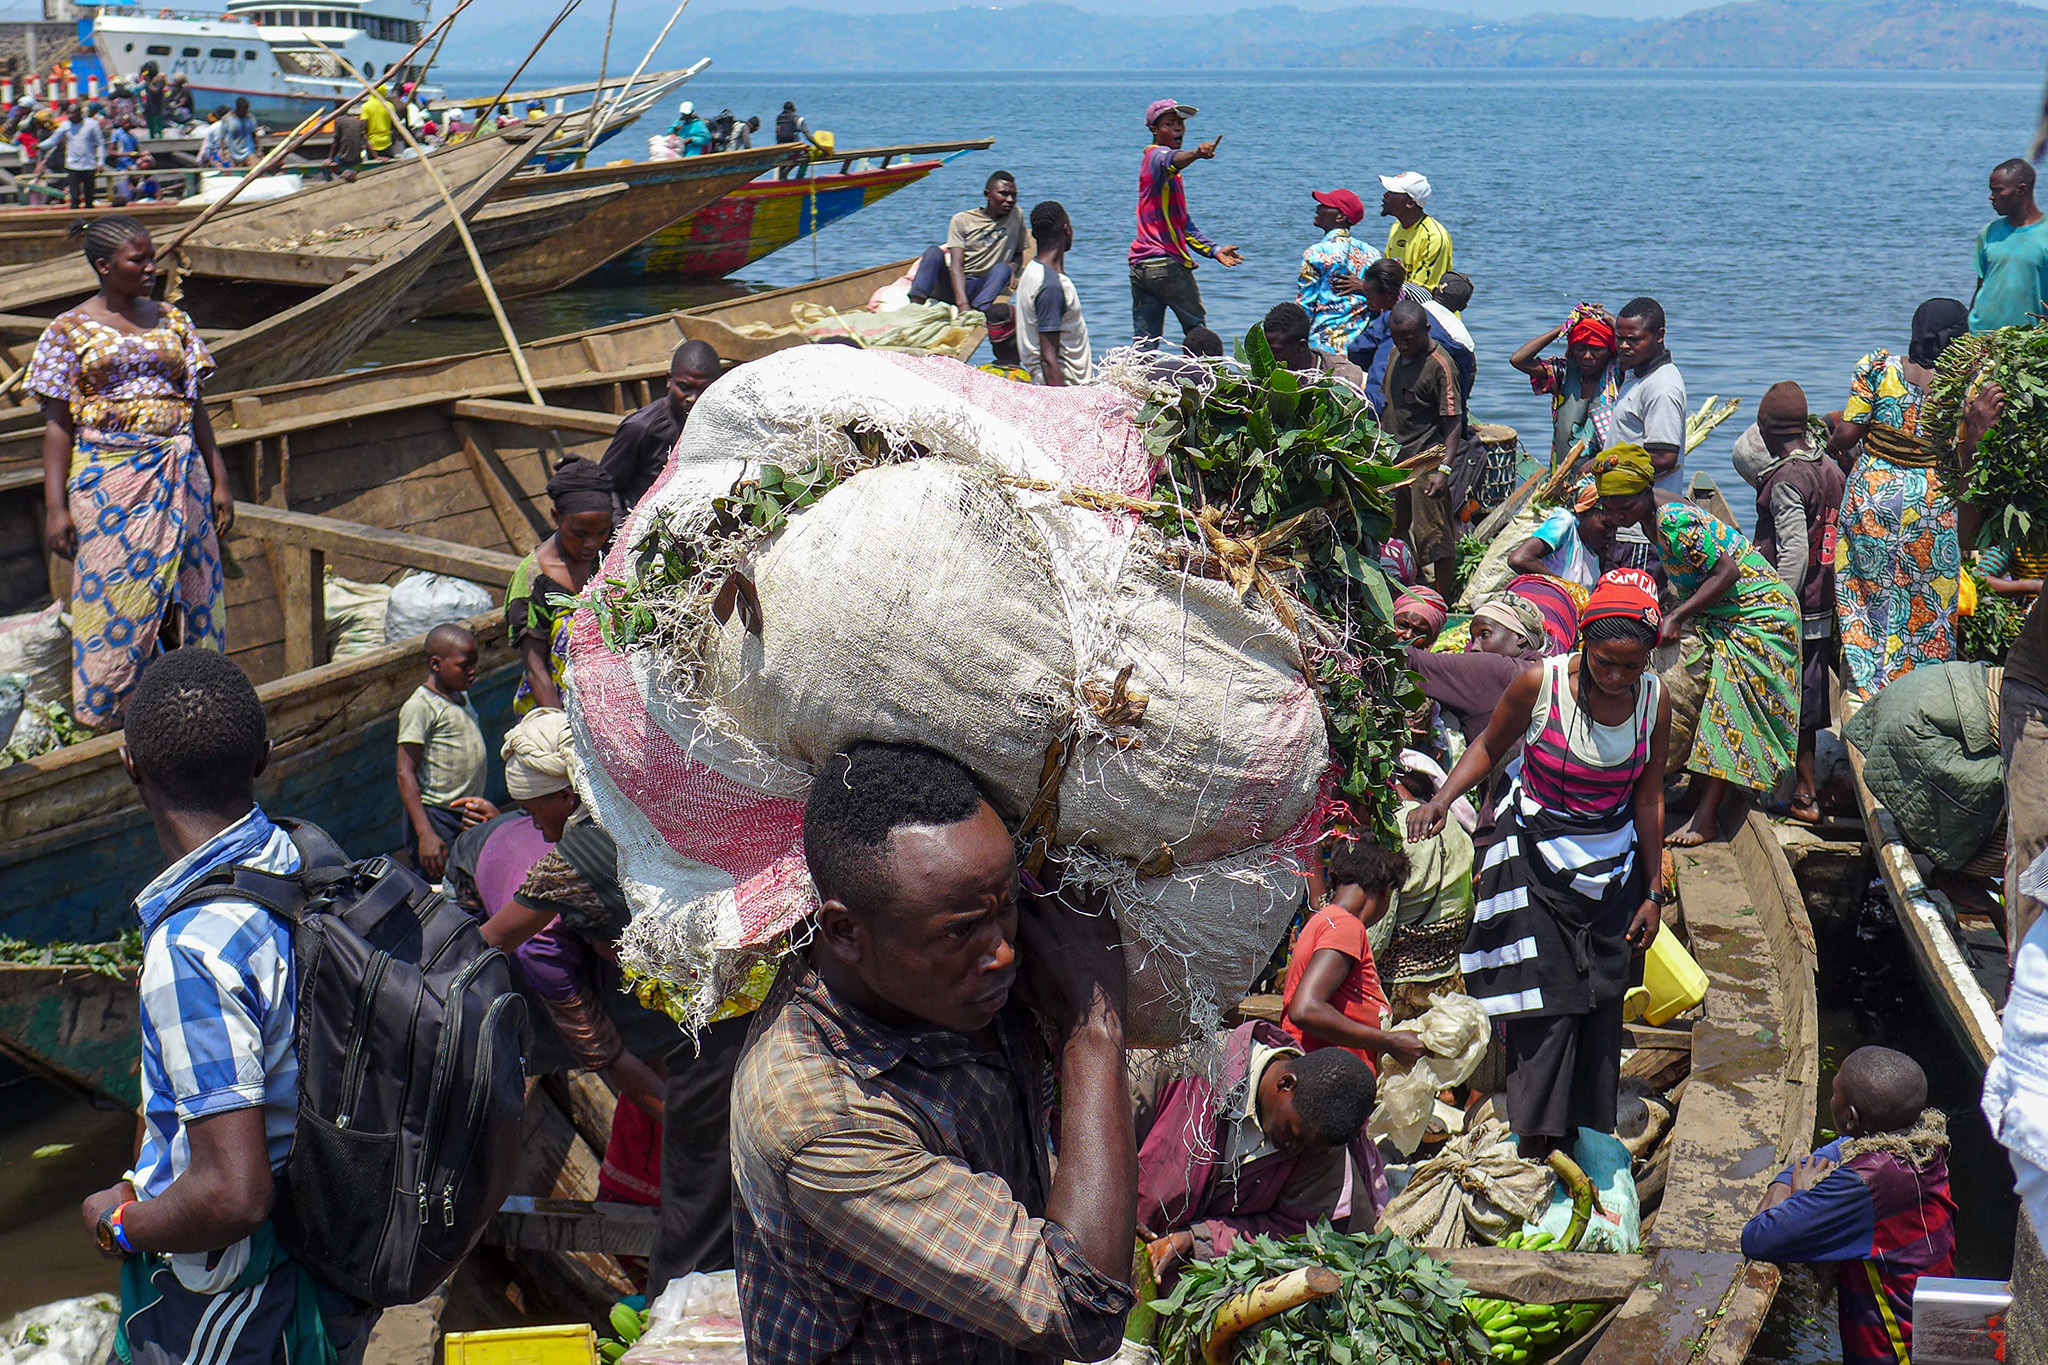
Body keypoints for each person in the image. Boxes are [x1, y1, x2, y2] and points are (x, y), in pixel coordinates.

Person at [731, 741, 1136, 1362]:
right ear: (844, 933)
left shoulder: (948, 992)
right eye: (960, 930)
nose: (1001, 950)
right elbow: (1082, 1311)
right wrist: (1094, 1032)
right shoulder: (817, 1116)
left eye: (1008, 908)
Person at [76, 649, 376, 1365]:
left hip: (235, 1300)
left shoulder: (192, 949)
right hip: (326, 1262)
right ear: (265, 756)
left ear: (131, 765)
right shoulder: (303, 859)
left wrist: (119, 1223)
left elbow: (232, 1193)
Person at [1409, 568, 1670, 1158]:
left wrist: (1653, 891)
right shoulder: (1539, 684)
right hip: (1533, 856)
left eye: (1630, 667)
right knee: (1545, 1006)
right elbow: (1488, 746)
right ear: (1583, 643)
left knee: (1601, 1004)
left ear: (1648, 659)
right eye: (1605, 661)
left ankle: (1584, 1137)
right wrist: (1442, 799)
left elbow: (1650, 797)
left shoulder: (1654, 699)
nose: (1616, 676)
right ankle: (1535, 1143)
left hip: (1613, 869)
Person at [31, 217, 226, 731]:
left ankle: (194, 704)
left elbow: (195, 403)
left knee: (192, 587)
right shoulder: (67, 330)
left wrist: (220, 476)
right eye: (138, 260)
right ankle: (112, 711)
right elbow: (57, 427)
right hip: (108, 481)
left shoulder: (174, 320)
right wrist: (55, 508)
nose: (151, 268)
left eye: (152, 256)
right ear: (103, 266)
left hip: (182, 473)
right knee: (113, 594)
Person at [1575, 447, 1799, 846]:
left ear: (1647, 491)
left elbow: (1726, 572)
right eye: (1609, 508)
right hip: (1724, 612)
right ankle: (1695, 794)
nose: (1615, 516)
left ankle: (1704, 820)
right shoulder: (1651, 519)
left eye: (1624, 506)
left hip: (1759, 615)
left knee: (1727, 705)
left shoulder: (1674, 520)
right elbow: (1683, 571)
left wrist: (1677, 618)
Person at [1742, 1047, 1955, 1365]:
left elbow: (1758, 1237)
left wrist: (1799, 1195)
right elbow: (1826, 1154)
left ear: (1850, 1117)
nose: (1831, 1098)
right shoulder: (1921, 1145)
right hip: (1936, 1339)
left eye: (1834, 1093)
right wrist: (1796, 1179)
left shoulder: (1865, 1182)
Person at [1135, 1021, 1378, 1280]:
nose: (1295, 1151)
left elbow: (1291, 1232)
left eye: (1306, 1147)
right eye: (1293, 1135)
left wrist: (1198, 1239)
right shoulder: (1184, 1066)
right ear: (1286, 1084)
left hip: (1179, 1283)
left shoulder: (1321, 1142)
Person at [1827, 299, 1970, 700]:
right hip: (1931, 500)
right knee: (1924, 593)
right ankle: (1921, 688)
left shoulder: (1877, 367)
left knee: (1867, 587)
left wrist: (1830, 442)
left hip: (1874, 496)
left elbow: (1849, 434)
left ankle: (1867, 678)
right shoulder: (1964, 382)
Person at [1732, 382, 1844, 825]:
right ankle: (1802, 792)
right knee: (1810, 701)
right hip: (1823, 604)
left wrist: (1774, 606)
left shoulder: (1785, 480)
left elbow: (1793, 550)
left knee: (1782, 696)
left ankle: (1797, 795)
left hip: (1793, 608)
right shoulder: (1830, 468)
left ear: (1765, 430)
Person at [1282, 840, 1425, 1072]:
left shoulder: (1326, 919)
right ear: (1385, 889)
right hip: (1324, 1078)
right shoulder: (1346, 927)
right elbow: (1304, 1009)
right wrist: (1390, 1042)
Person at [1128, 98, 1242, 348]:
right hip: (1166, 264)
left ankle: (1133, 385)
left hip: (1142, 265)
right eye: (1169, 123)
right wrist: (1197, 154)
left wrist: (1213, 250)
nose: (1178, 128)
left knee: (1145, 343)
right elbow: (1172, 159)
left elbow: (1183, 226)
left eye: (1180, 123)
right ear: (1154, 130)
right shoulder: (1157, 157)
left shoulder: (1166, 176)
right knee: (1198, 333)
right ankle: (1206, 380)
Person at [507, 458, 615, 714]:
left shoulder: (610, 558)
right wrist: (562, 732)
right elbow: (536, 670)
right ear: (556, 517)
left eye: (602, 532)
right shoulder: (534, 580)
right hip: (559, 707)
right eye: (579, 534)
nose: (592, 544)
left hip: (609, 700)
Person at [395, 623, 498, 881]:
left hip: (465, 813)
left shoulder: (460, 696)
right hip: (436, 815)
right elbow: (404, 772)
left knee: (465, 881)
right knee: (441, 884)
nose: (473, 671)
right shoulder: (419, 706)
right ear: (436, 664)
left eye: (475, 663)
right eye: (464, 665)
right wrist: (425, 834)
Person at [1381, 299, 1464, 595]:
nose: (1404, 344)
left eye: (1410, 338)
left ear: (1427, 330)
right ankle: (1409, 586)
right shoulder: (1394, 354)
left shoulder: (1441, 366)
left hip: (1426, 460)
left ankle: (1442, 600)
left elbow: (1454, 423)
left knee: (1434, 536)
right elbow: (1389, 405)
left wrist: (1444, 469)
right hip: (1393, 459)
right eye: (1398, 338)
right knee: (1395, 526)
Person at [598, 339, 720, 512]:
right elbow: (604, 486)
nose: (693, 398)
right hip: (644, 520)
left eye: (704, 390)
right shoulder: (640, 428)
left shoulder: (722, 423)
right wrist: (623, 528)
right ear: (669, 380)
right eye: (684, 387)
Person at [1343, 258, 1474, 414]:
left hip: (1383, 402)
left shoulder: (1411, 310)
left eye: (1370, 295)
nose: (1367, 300)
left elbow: (1358, 351)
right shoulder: (1461, 337)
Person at [1511, 303, 1623, 468]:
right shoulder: (1564, 372)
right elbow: (1518, 360)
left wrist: (1610, 319)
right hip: (1561, 473)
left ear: (1609, 351)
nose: (1586, 356)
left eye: (1596, 349)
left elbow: (1644, 354)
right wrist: (1565, 326)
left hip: (1601, 477)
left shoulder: (1618, 375)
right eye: (1580, 348)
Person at [910, 170, 1030, 314]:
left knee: (1003, 269)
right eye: (1004, 194)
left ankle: (978, 311)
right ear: (988, 195)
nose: (1010, 200)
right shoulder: (962, 220)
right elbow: (957, 265)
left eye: (1013, 195)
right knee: (933, 252)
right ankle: (914, 307)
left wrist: (1012, 268)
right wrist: (962, 305)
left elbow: (1018, 254)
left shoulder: (1016, 215)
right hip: (955, 285)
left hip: (982, 287)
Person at [1610, 298, 1688, 495]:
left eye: (1634, 340)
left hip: (1640, 511)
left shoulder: (1662, 387)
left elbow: (1663, 457)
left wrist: (1606, 461)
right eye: (1619, 338)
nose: (1624, 346)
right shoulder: (1637, 374)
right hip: (1621, 506)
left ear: (1659, 335)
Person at [1296, 187, 1378, 356]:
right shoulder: (1372, 253)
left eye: (1324, 205)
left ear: (1340, 217)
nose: (1318, 208)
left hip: (1322, 344)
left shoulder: (1316, 253)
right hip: (1360, 344)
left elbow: (1305, 306)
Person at [1017, 200, 1090, 387]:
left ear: (1034, 234)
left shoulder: (1032, 272)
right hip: (1066, 389)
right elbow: (1048, 360)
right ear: (1066, 230)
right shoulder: (1051, 286)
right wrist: (1064, 408)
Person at [1972, 158, 2048, 333]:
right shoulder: (1989, 232)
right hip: (1982, 336)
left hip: (2029, 339)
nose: (1991, 197)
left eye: (1997, 191)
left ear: (2021, 190)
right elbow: (1981, 286)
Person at [1378, 171, 1452, 292]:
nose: (1385, 195)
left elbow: (1421, 292)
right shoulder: (1397, 226)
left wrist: (1365, 287)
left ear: (1410, 203)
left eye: (1392, 192)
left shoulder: (1434, 237)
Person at [1261, 301, 1363, 389]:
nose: (1268, 358)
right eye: (1265, 350)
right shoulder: (1262, 376)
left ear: (1301, 347)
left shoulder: (1343, 377)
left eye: (1275, 351)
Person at [40, 102, 105, 209]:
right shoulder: (66, 125)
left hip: (89, 164)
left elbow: (100, 143)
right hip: (72, 165)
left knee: (89, 196)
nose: (70, 116)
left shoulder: (92, 124)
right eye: (69, 113)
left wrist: (101, 162)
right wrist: (39, 146)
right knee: (74, 196)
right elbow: (54, 139)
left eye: (73, 113)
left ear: (79, 114)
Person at [325, 106, 365, 181]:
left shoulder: (339, 120)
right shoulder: (357, 121)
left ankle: (333, 183)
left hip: (344, 159)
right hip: (357, 158)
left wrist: (330, 158)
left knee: (325, 169)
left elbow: (335, 142)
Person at [362, 85, 396, 160]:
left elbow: (363, 128)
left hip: (373, 144)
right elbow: (394, 126)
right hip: (387, 142)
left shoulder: (366, 106)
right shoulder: (390, 106)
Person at [223, 96, 257, 164]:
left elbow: (254, 135)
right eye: (244, 109)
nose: (246, 112)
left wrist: (258, 149)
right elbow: (222, 137)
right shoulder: (227, 119)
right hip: (233, 154)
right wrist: (225, 150)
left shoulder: (250, 118)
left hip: (249, 153)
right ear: (238, 108)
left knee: (255, 168)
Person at [142, 73, 165, 140]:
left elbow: (156, 90)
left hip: (156, 109)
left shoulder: (159, 81)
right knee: (151, 127)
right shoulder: (149, 83)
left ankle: (160, 140)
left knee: (157, 126)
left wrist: (148, 83)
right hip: (149, 108)